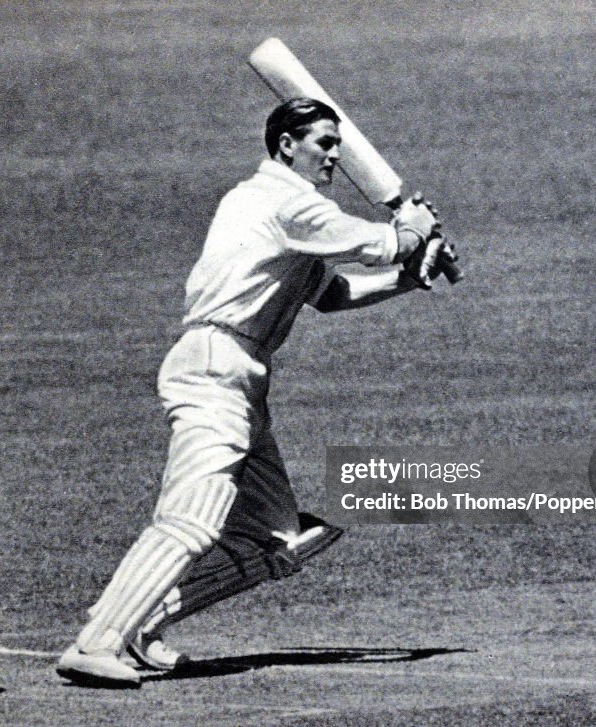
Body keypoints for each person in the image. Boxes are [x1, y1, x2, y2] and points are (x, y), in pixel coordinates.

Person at [57, 97, 442, 687]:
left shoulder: (293, 213)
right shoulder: (279, 200)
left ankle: (142, 623)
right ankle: (96, 642)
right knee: (193, 518)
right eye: (323, 143)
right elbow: (377, 242)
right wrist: (407, 232)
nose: (336, 155)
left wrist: (407, 278)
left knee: (280, 535)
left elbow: (332, 293)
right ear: (287, 144)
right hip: (214, 367)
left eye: (338, 144)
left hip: (244, 378)